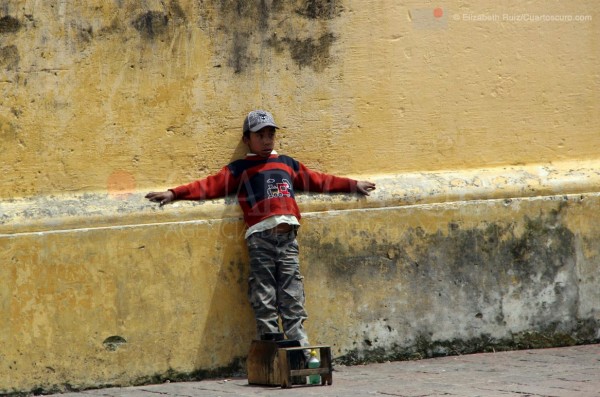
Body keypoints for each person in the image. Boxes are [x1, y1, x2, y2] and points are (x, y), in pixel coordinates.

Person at [146, 110, 376, 349]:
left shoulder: (287, 164)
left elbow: (319, 180)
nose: (266, 141)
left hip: (287, 241)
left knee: (292, 294)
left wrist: (353, 185)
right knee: (264, 293)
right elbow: (209, 186)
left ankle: (299, 348)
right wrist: (174, 193)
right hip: (260, 240)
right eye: (260, 136)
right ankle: (271, 347)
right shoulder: (240, 169)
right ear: (247, 139)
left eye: (270, 135)